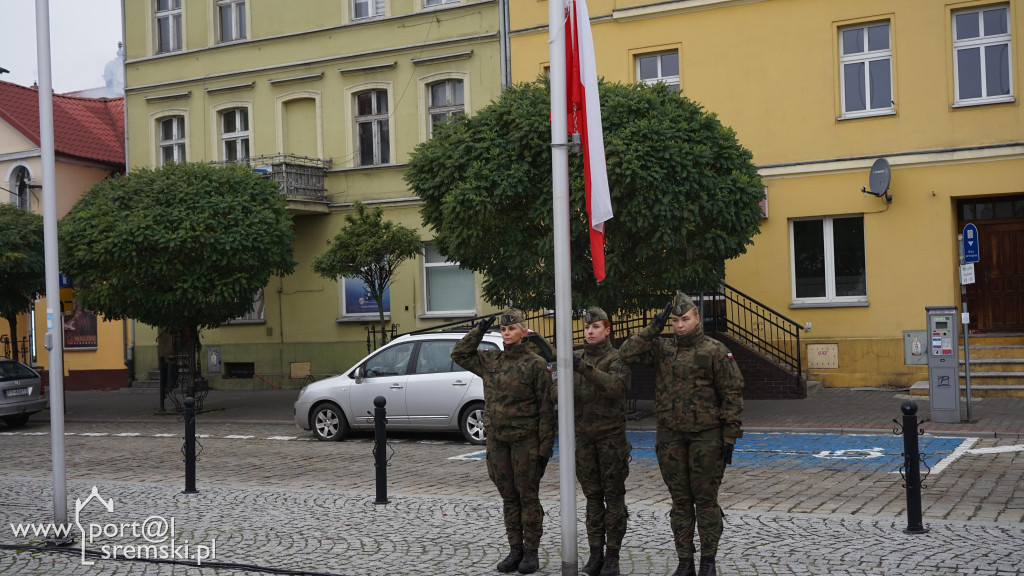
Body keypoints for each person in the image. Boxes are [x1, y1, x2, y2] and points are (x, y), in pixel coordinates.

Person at [618, 292, 744, 576]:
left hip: (706, 437)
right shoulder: (662, 348)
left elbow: (731, 394)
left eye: (685, 319)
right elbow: (626, 353)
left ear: (697, 319)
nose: (679, 325)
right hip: (671, 437)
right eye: (675, 321)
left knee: (706, 501)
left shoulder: (714, 350)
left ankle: (708, 562)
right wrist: (653, 327)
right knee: (680, 502)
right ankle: (685, 560)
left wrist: (730, 436)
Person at [451, 308, 556, 574]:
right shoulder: (491, 360)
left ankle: (531, 553)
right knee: (508, 498)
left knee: (527, 498)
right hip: (498, 442)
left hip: (525, 442)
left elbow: (546, 410)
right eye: (504, 329)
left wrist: (545, 450)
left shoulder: (535, 364)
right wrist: (479, 331)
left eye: (512, 329)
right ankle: (515, 550)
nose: (507, 333)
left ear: (524, 331)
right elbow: (459, 354)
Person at [561, 307, 632, 576]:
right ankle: (595, 553)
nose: (589, 332)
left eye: (595, 327)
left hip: (610, 440)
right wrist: (561, 375)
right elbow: (556, 394)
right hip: (585, 440)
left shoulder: (617, 358)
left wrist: (585, 369)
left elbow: (616, 387)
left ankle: (612, 555)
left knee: (613, 498)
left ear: (607, 330)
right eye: (586, 328)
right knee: (592, 498)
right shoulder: (574, 358)